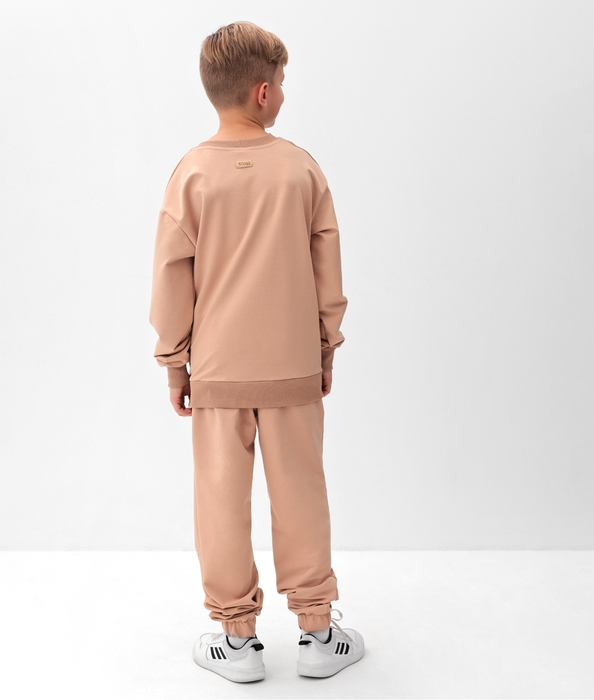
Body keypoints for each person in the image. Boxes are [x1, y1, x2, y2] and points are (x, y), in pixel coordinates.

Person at [149, 20, 364, 683]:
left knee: (220, 499)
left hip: (217, 371)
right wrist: (326, 346)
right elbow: (327, 271)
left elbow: (171, 276)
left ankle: (236, 642)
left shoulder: (191, 173)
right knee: (302, 494)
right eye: (283, 84)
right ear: (264, 92)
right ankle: (318, 633)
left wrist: (174, 361)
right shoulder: (300, 168)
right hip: (294, 367)